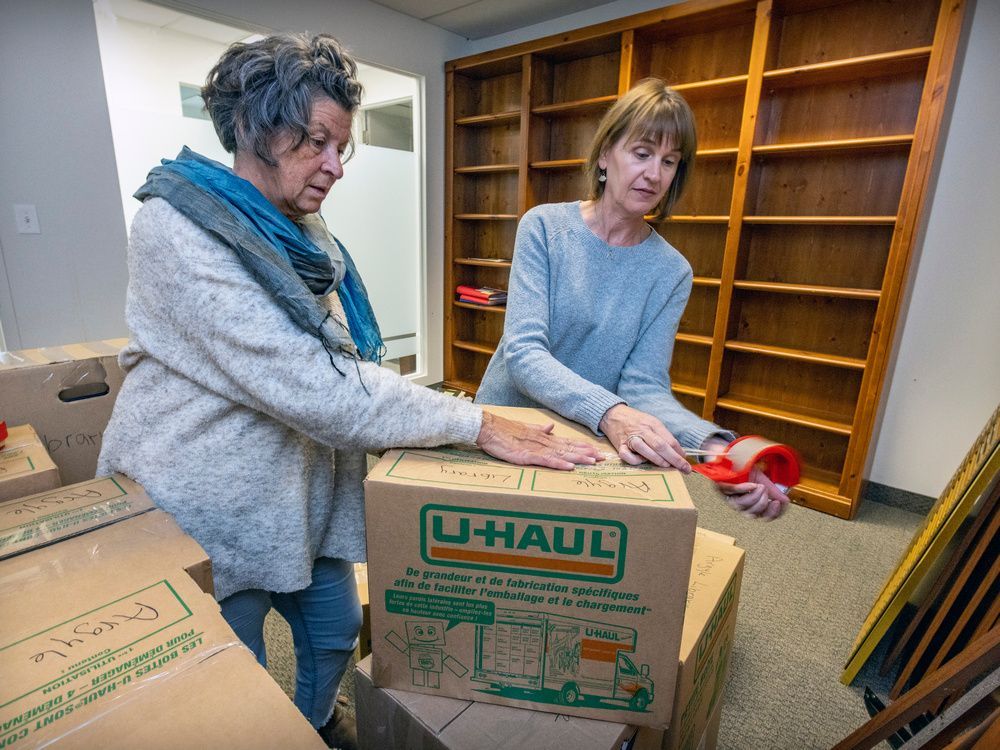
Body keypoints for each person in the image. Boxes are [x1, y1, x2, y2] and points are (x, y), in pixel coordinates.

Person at [96, 33, 601, 750]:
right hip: (205, 506)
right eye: (316, 142)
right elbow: (314, 386)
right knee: (220, 684)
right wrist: (474, 421)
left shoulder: (306, 230)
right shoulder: (175, 227)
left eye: (342, 147)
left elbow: (341, 364)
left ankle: (312, 727)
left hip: (298, 491)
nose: (335, 166)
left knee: (334, 631)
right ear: (252, 129)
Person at [475, 78, 788, 522]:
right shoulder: (544, 227)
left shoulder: (671, 271)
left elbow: (644, 387)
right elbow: (524, 355)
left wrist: (718, 448)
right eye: (642, 153)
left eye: (670, 161)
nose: (655, 173)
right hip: (507, 430)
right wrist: (610, 412)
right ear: (605, 155)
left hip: (584, 446)